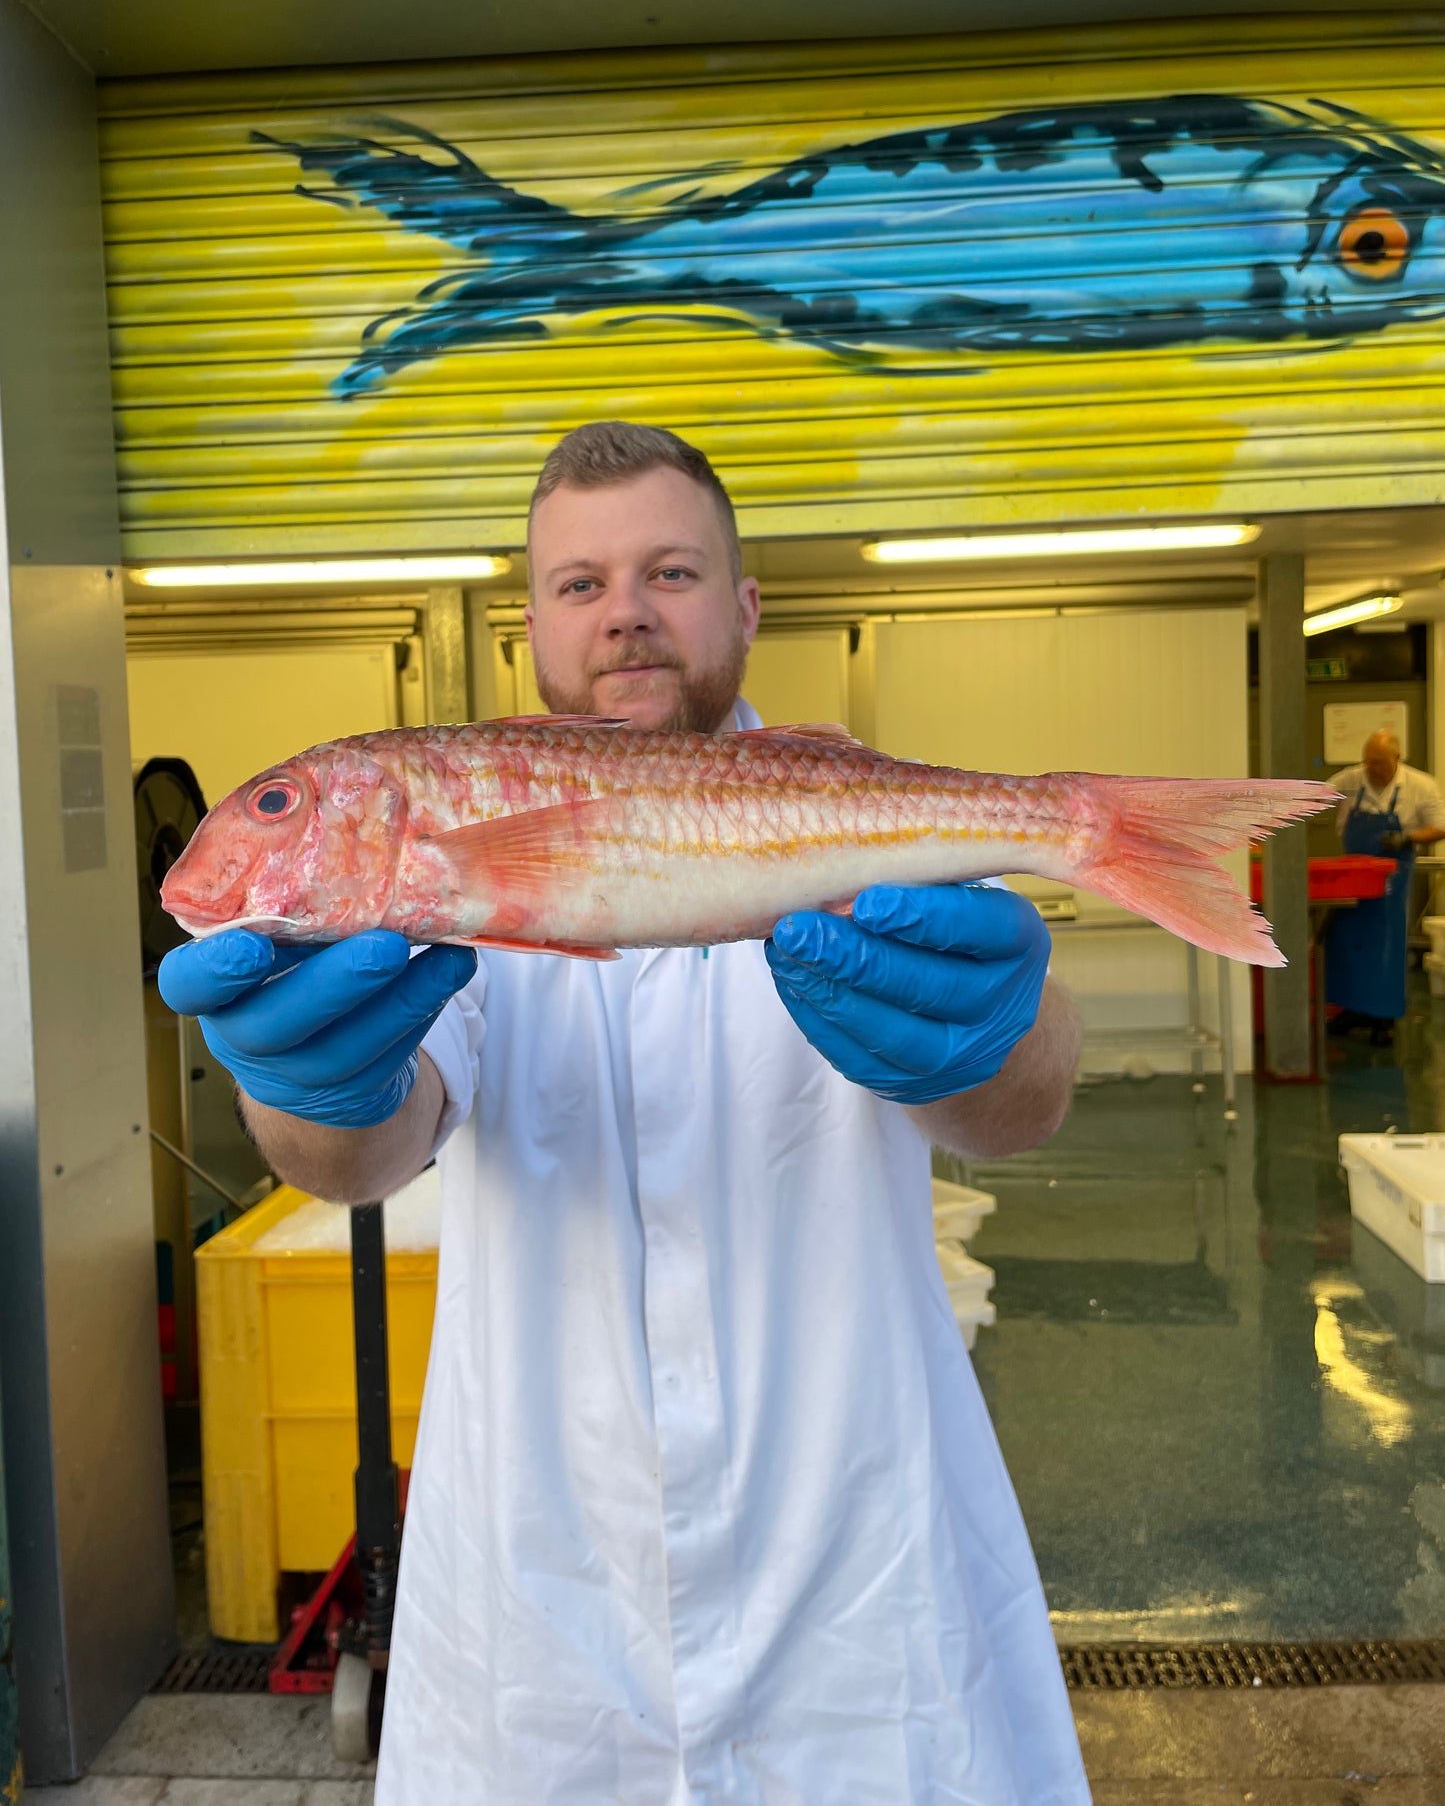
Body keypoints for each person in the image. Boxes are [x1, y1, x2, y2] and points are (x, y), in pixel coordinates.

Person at [160, 422, 1090, 1805]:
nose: (628, 615)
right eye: (580, 584)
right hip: (546, 1594)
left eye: (670, 570)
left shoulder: (857, 812)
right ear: (529, 621)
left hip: (854, 1564)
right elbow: (360, 1150)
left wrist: (989, 1037)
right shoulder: (458, 843)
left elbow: (1019, 1106)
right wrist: (303, 1082)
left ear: (745, 604)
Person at [1328, 728, 1445, 1045]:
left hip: (1394, 875)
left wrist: (1408, 838)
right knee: (1349, 941)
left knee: (1387, 945)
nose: (1371, 769)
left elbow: (1440, 826)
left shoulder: (1420, 785)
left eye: (1378, 763)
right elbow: (1316, 797)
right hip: (1353, 875)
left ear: (1397, 758)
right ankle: (1353, 1009)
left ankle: (1384, 1016)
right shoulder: (1351, 780)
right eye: (1367, 762)